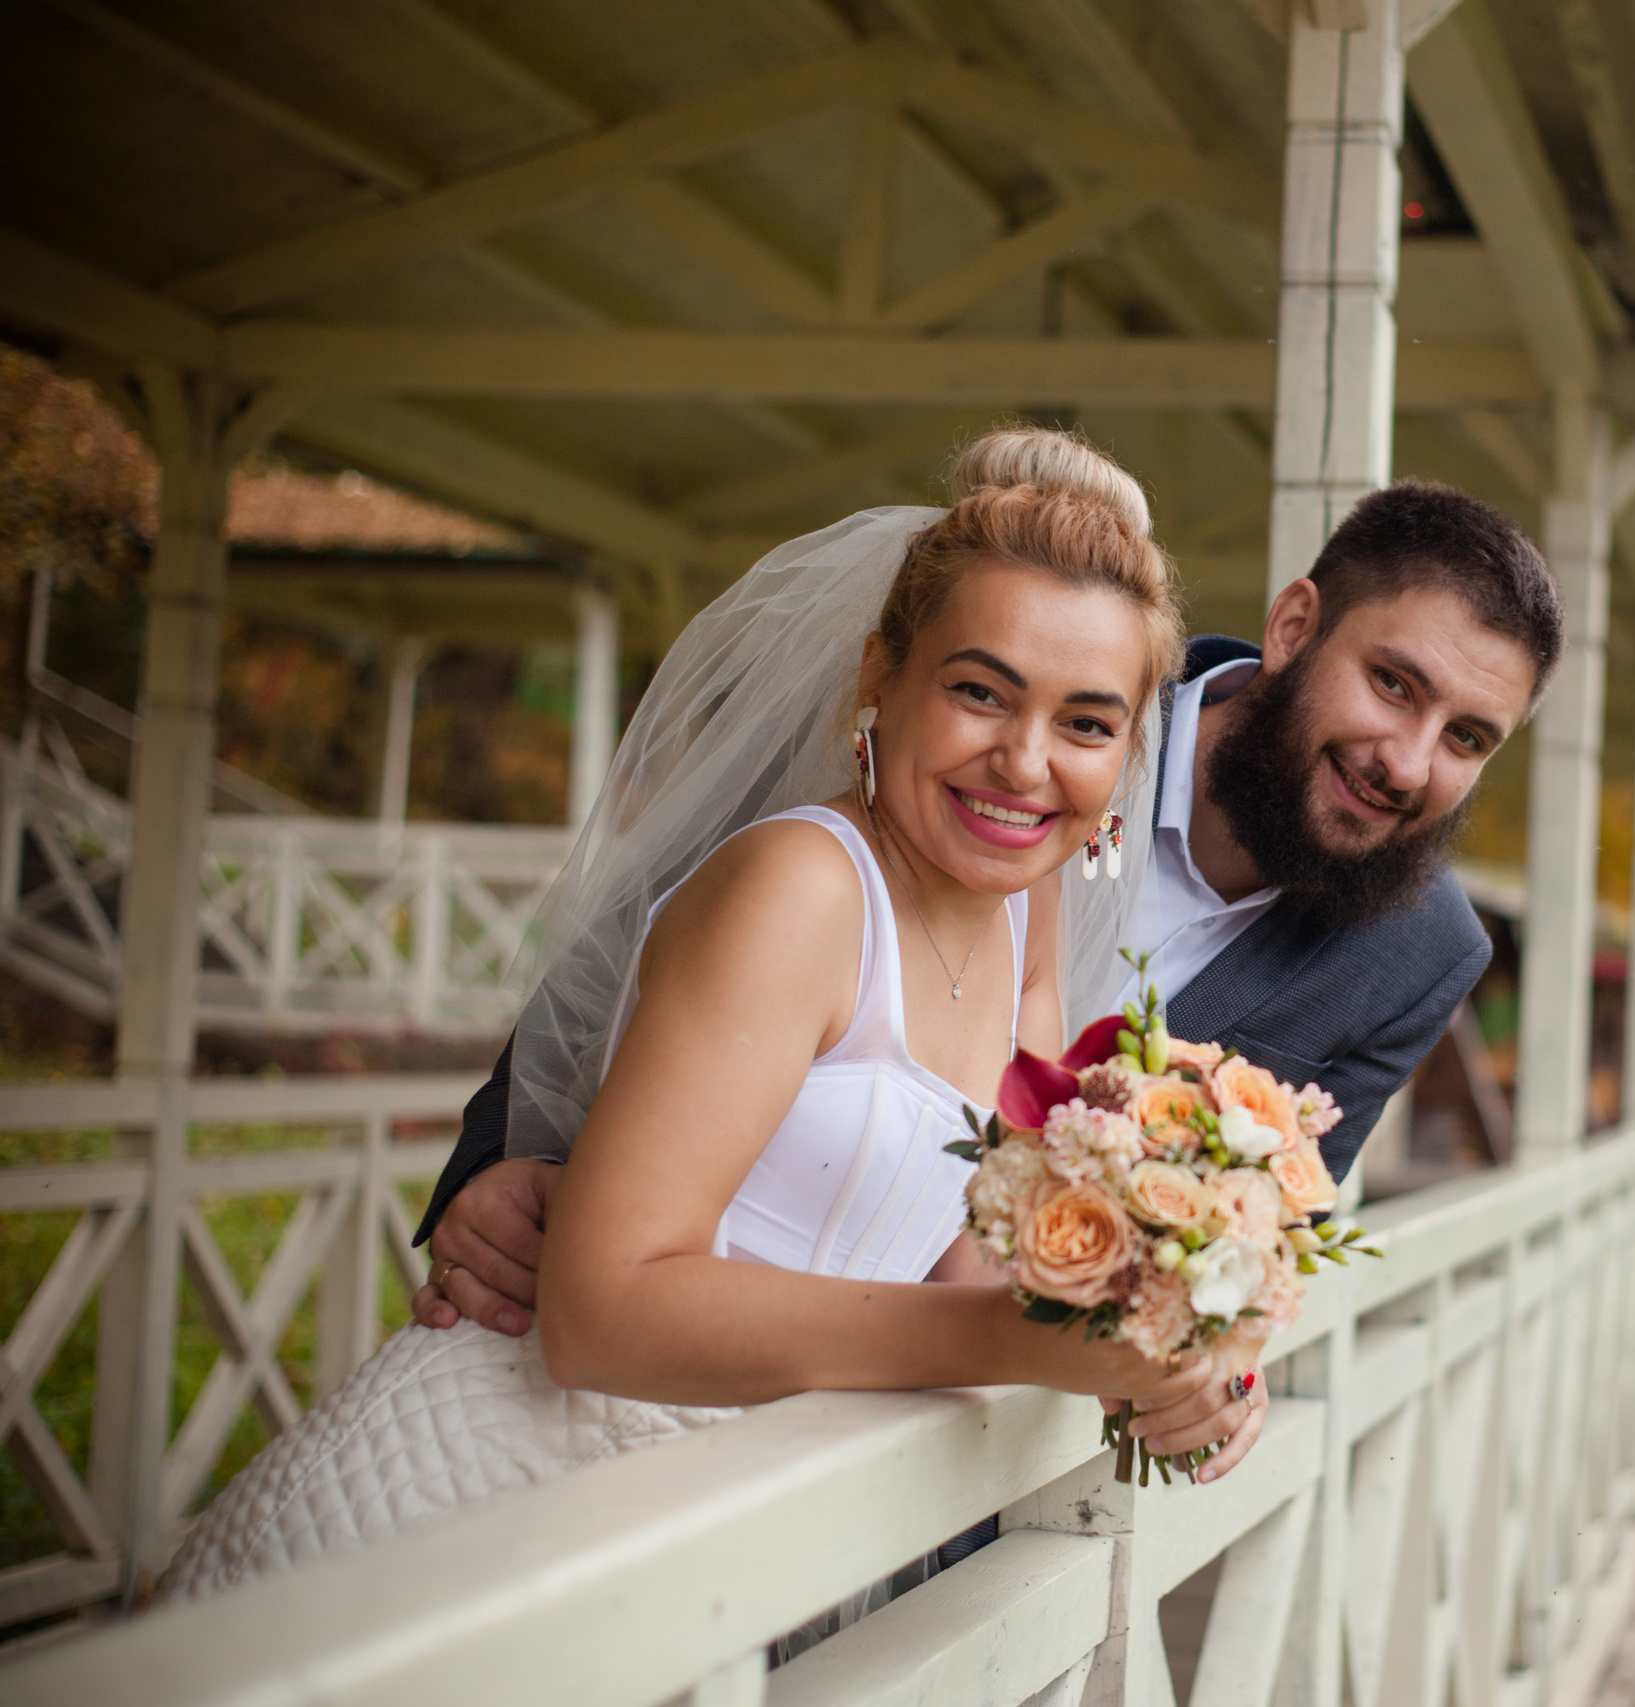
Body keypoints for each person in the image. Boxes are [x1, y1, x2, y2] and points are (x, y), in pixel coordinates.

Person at [162, 427, 1248, 1604]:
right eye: (980, 692)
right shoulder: (801, 888)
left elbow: (968, 1248)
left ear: (1128, 750)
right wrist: (1006, 1347)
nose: (1025, 762)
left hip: (716, 1538)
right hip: (494, 1519)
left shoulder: (1022, 912)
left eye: (1086, 723)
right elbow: (601, 1316)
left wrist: (1163, 1339)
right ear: (879, 676)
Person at [413, 479, 1563, 1347]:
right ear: (1297, 626)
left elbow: (1259, 1235)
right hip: (631, 1332)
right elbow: (676, 909)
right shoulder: (1029, 712)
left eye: (1468, 739)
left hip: (938, 1472)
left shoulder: (1420, 957)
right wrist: (496, 1162)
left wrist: (1210, 1363)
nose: (1407, 762)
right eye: (1393, 684)